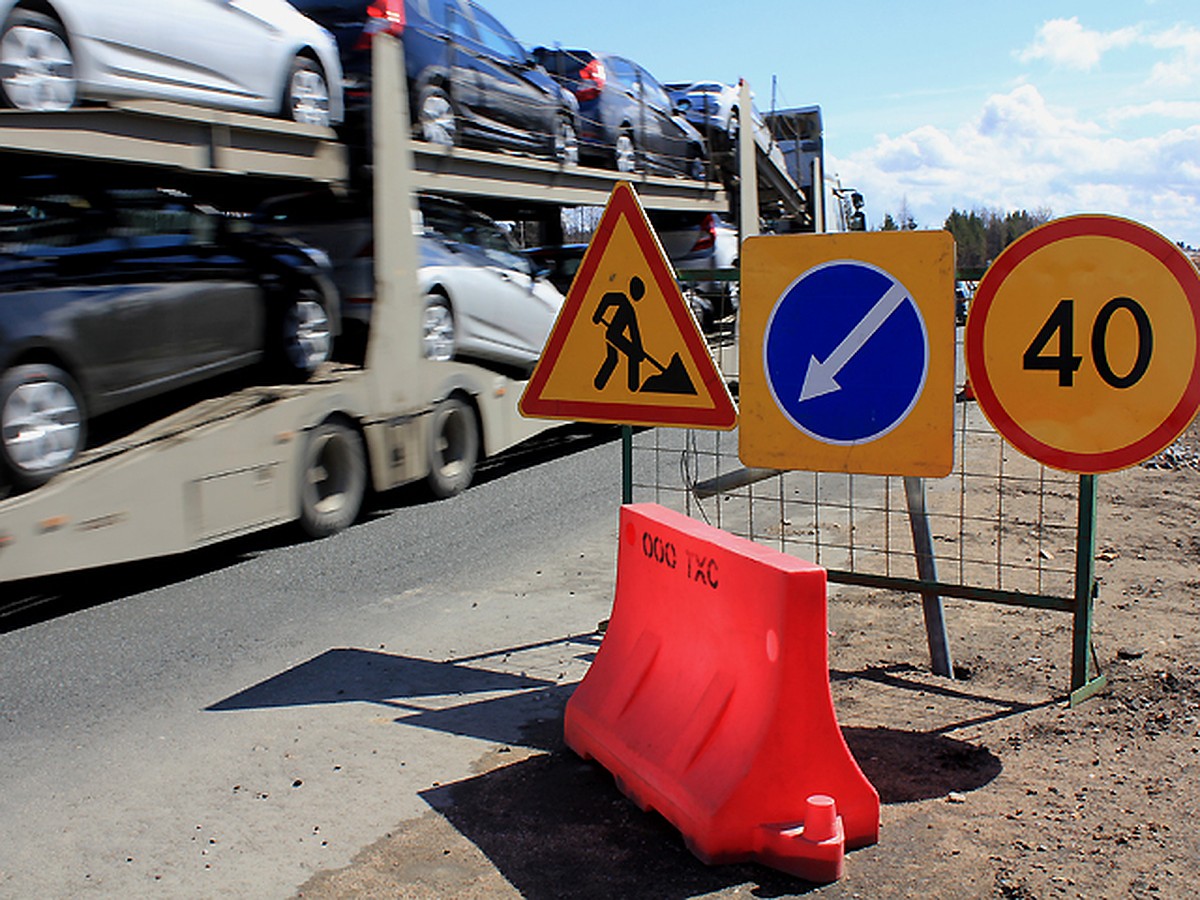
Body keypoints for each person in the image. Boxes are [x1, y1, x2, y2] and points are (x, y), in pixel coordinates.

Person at [592, 275, 648, 391]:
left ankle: (602, 385)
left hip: (614, 336)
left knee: (615, 358)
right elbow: (607, 298)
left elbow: (634, 332)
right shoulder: (623, 299)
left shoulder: (630, 309)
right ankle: (632, 387)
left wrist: (639, 349)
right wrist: (597, 315)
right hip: (613, 336)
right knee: (627, 356)